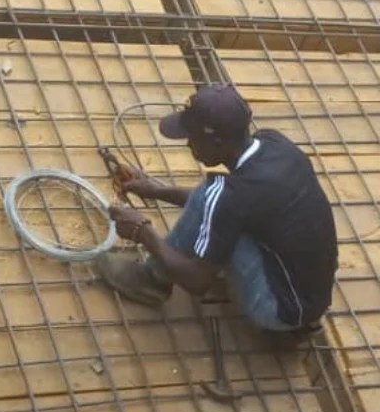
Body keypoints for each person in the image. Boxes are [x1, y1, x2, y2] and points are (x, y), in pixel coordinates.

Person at [100, 83, 338, 333]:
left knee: (213, 194)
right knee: (214, 196)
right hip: (310, 295)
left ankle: (152, 280)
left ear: (217, 142)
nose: (188, 144)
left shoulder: (232, 194)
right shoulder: (274, 143)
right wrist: (155, 190)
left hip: (279, 309)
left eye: (193, 137)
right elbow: (232, 205)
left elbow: (197, 281)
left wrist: (142, 232)